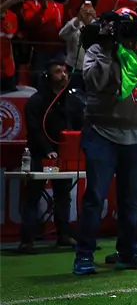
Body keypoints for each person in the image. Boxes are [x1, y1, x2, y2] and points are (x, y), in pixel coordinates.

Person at [75, 8, 137, 275]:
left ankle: (129, 252)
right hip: (102, 134)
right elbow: (95, 81)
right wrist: (108, 48)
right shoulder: (97, 50)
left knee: (130, 201)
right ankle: (84, 256)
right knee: (95, 197)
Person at [19, 56, 83, 254]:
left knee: (63, 195)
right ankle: (27, 240)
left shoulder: (73, 101)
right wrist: (48, 150)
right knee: (33, 195)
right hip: (41, 156)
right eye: (58, 71)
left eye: (65, 71)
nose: (63, 75)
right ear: (47, 76)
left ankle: (64, 234)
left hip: (64, 157)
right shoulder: (35, 102)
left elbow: (79, 126)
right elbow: (35, 130)